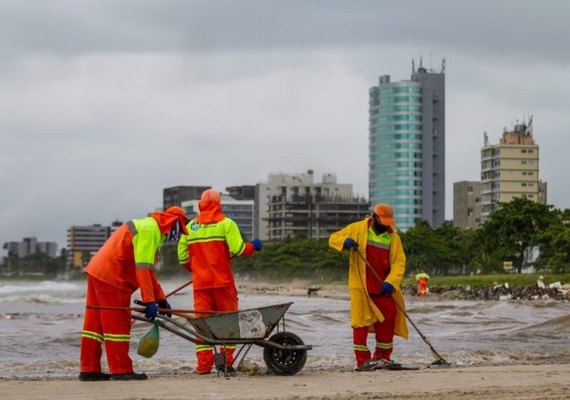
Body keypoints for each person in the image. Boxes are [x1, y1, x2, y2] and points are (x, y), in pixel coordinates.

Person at [79, 206, 189, 381]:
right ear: (173, 223)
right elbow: (143, 269)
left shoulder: (149, 227)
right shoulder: (151, 230)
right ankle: (121, 370)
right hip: (113, 277)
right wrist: (149, 301)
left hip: (98, 271)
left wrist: (160, 299)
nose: (176, 236)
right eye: (179, 230)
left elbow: (148, 270)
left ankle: (89, 369)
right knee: (118, 325)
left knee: (95, 325)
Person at [177, 189, 263, 375]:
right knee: (229, 323)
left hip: (201, 285)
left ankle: (203, 366)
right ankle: (225, 362)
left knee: (203, 325)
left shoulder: (190, 227)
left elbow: (182, 257)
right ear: (219, 204)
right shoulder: (226, 224)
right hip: (223, 284)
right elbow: (239, 249)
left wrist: (197, 270)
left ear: (200, 204)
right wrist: (253, 246)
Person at [329, 203, 408, 371]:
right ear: (374, 217)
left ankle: (382, 358)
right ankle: (362, 361)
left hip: (383, 287)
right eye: (383, 221)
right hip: (361, 286)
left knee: (388, 318)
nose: (386, 225)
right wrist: (345, 241)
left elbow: (399, 262)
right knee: (360, 322)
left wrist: (391, 282)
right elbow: (333, 238)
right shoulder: (357, 228)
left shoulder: (393, 237)